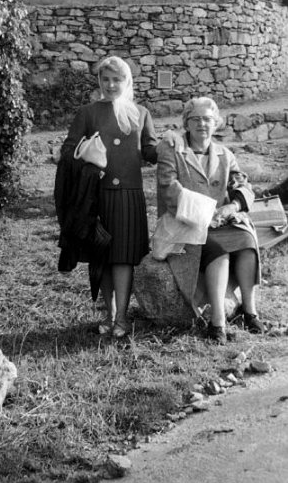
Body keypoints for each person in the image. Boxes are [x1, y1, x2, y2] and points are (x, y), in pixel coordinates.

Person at [55, 56, 158, 338]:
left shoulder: (141, 113)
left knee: (123, 257)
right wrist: (88, 160)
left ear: (127, 81)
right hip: (96, 195)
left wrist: (170, 147)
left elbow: (150, 151)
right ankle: (108, 314)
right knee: (102, 255)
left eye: (117, 80)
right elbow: (68, 151)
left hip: (129, 195)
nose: (111, 85)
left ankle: (122, 317)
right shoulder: (88, 113)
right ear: (99, 81)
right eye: (106, 79)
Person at [156, 96, 264, 344]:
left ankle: (249, 311)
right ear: (186, 123)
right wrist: (207, 214)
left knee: (247, 242)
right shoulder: (172, 151)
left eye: (207, 119)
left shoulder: (225, 154)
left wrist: (232, 206)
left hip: (220, 222)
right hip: (186, 223)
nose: (202, 124)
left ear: (216, 123)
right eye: (195, 119)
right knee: (218, 250)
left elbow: (243, 186)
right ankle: (218, 322)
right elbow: (169, 189)